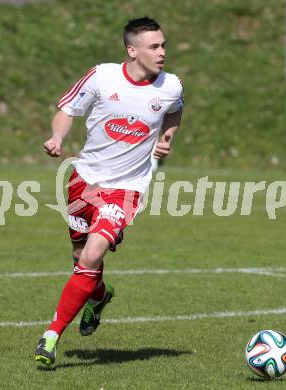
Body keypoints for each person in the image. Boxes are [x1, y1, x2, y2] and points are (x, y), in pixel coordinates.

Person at [35, 16, 184, 366]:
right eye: (154, 46)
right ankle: (99, 297)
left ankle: (51, 335)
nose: (162, 52)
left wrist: (167, 139)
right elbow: (67, 109)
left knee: (90, 256)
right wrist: (57, 137)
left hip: (126, 190)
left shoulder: (171, 86)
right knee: (79, 257)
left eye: (163, 45)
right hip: (84, 180)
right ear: (133, 50)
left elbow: (175, 112)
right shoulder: (102, 77)